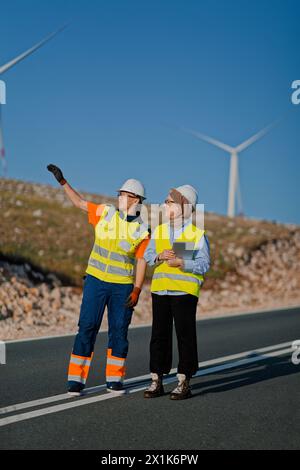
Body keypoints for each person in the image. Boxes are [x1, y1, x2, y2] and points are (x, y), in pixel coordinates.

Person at [47, 164, 149, 395]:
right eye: (120, 194)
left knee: (119, 331)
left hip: (122, 287)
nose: (120, 197)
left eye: (125, 195)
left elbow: (142, 261)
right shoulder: (106, 212)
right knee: (87, 327)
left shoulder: (142, 229)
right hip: (95, 281)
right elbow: (80, 203)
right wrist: (63, 182)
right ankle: (76, 380)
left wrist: (137, 289)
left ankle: (115, 380)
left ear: (136, 200)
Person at [143, 185, 210, 400]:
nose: (165, 205)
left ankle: (184, 381)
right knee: (158, 336)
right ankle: (157, 379)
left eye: (169, 201)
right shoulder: (160, 229)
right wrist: (159, 255)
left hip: (184, 291)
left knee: (185, 336)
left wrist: (183, 263)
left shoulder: (195, 233)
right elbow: (148, 255)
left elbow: (204, 264)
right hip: (160, 290)